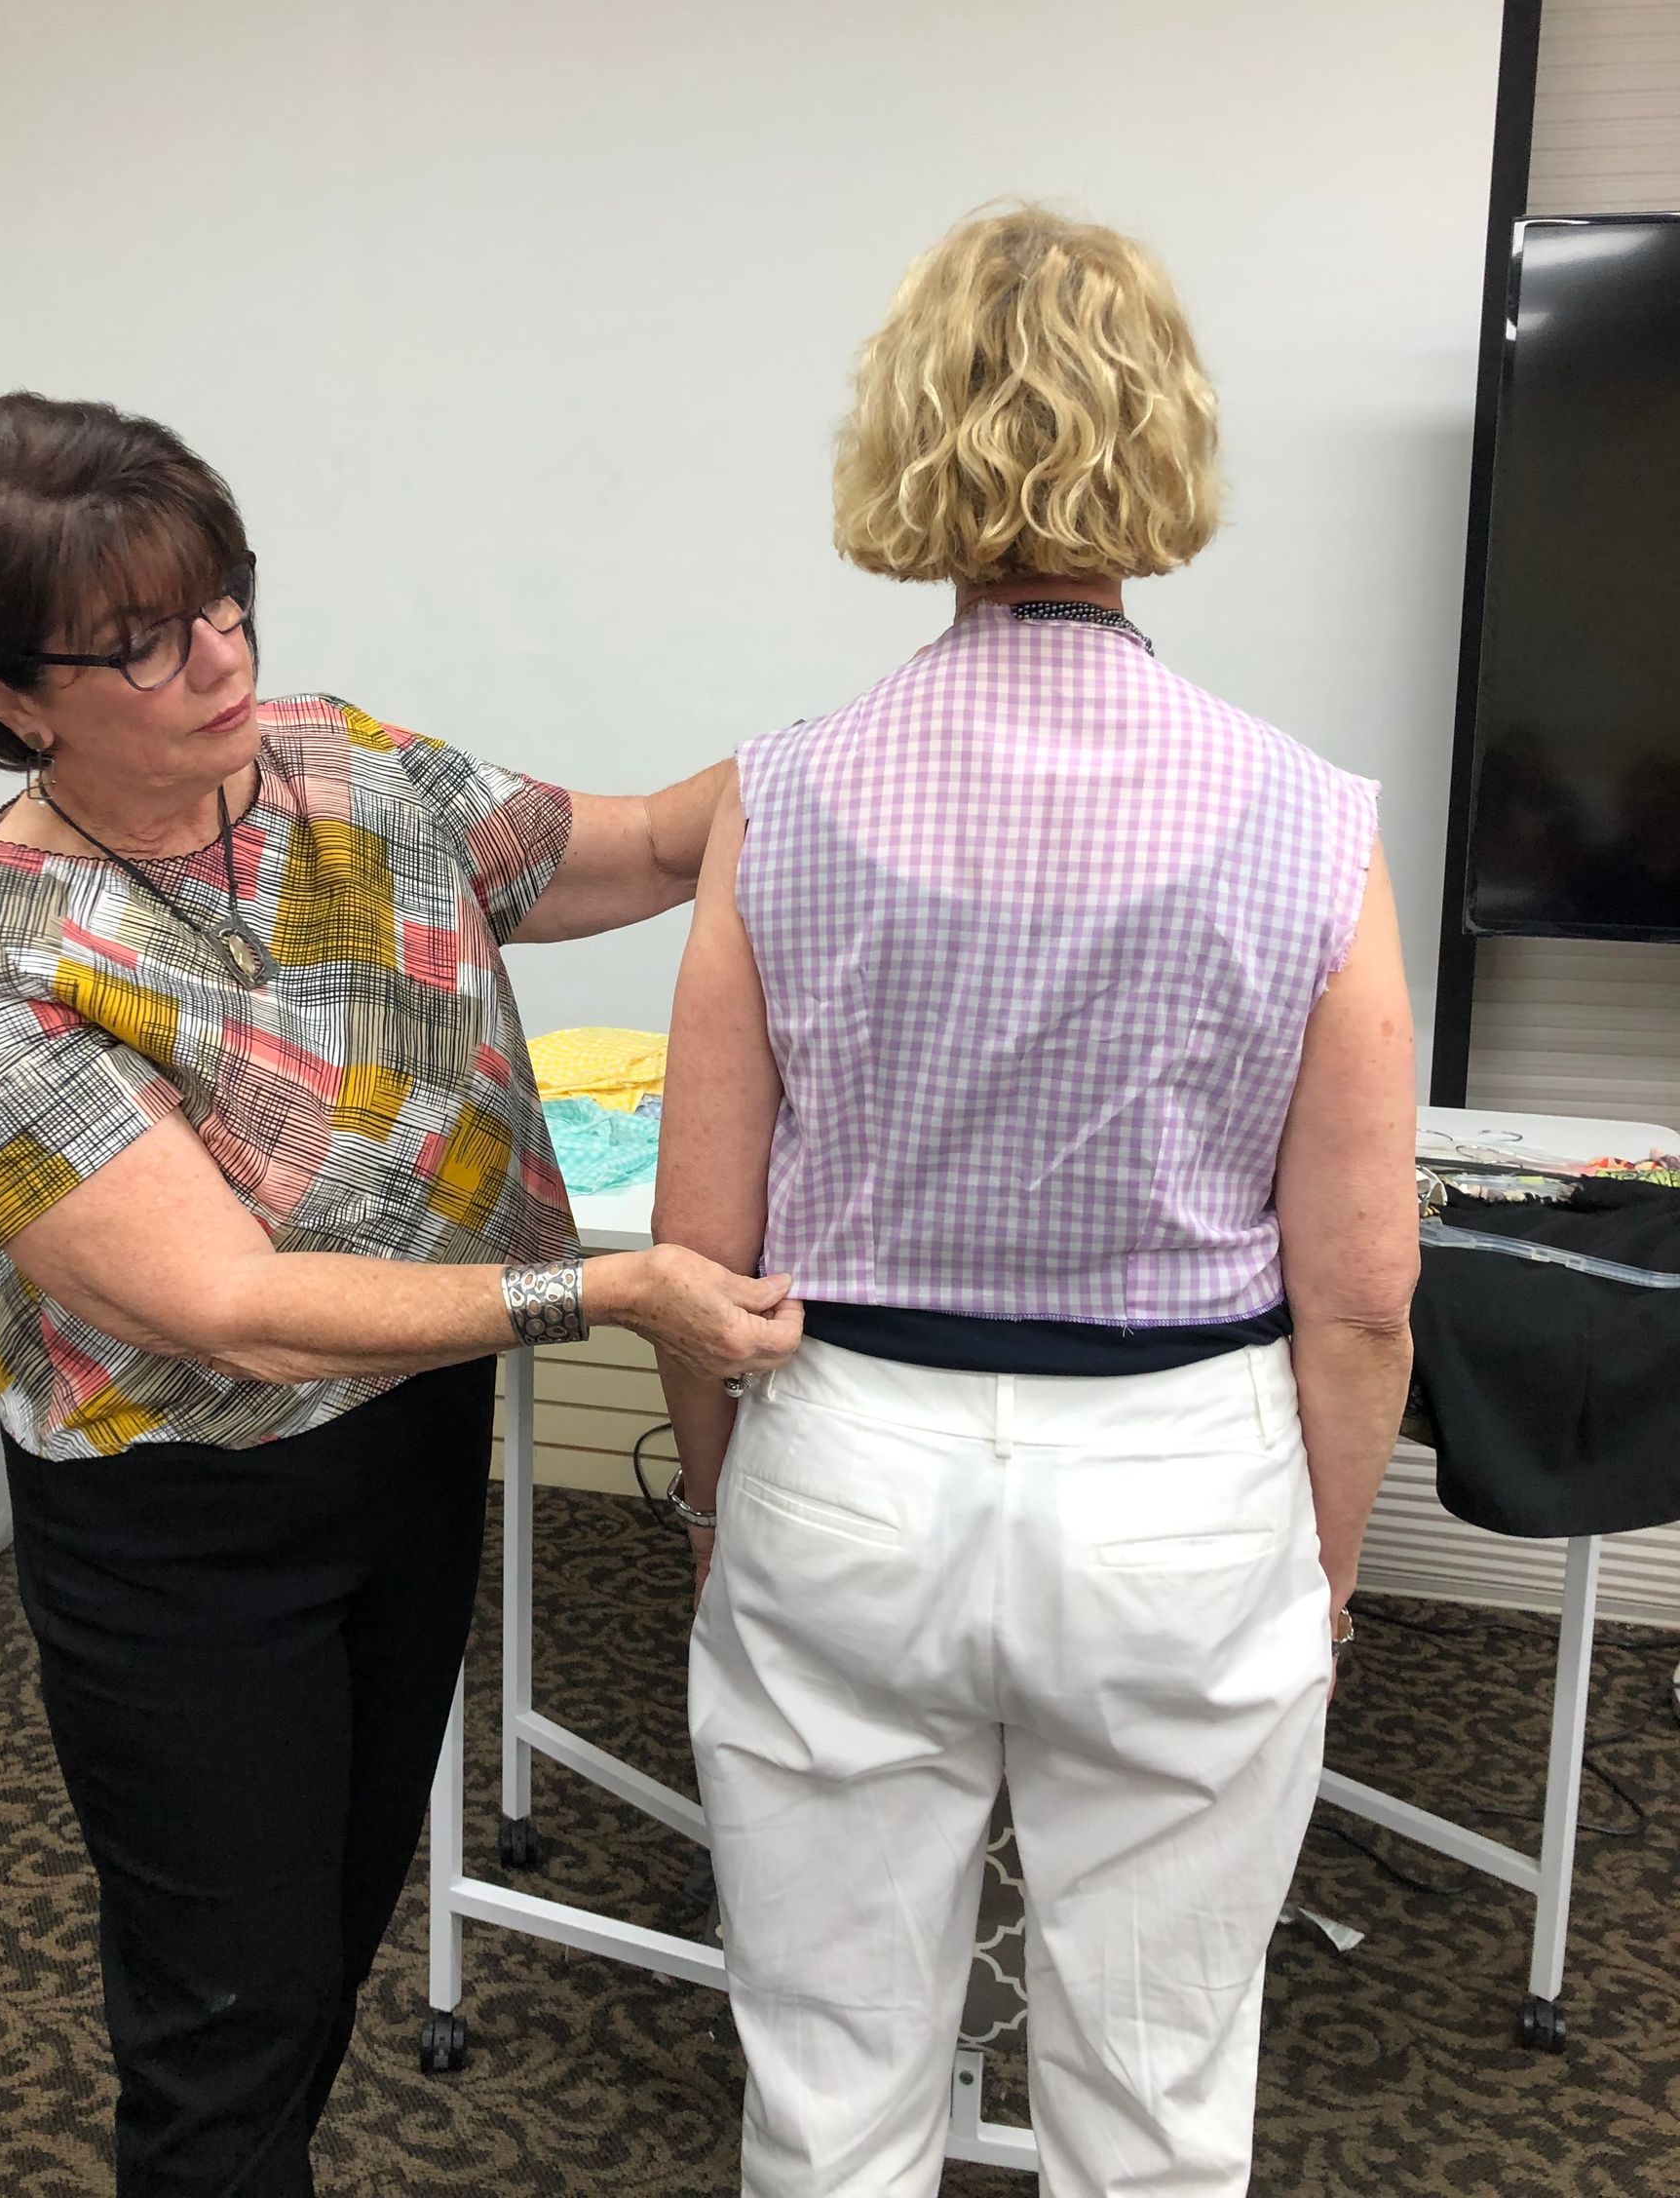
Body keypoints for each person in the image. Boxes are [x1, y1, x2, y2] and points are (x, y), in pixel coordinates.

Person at [0, 391, 800, 2198]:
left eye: (226, 600)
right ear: (5, 696)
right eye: (145, 640)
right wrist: (608, 1291)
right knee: (223, 2020)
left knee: (334, 1941)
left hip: (410, 1445)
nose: (221, 658)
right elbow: (230, 1304)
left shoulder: (342, 767)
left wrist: (852, 745)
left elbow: (644, 845)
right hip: (188, 1518)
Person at [651, 208, 1418, 2197]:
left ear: (902, 435)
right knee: (1158, 2098)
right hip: (1187, 1489)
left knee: (828, 2085)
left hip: (847, 1458)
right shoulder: (1312, 819)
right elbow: (1359, 1297)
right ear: (1169, 437)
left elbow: (702, 1253)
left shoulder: (777, 797)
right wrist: (1319, 1569)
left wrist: (727, 1497)